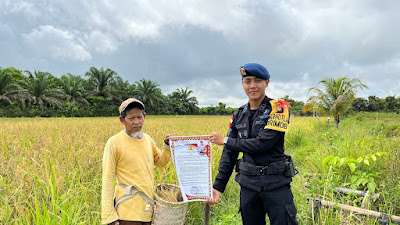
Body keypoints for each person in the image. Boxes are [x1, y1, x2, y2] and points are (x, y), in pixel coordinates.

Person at [207, 63, 298, 225]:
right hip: (249, 186)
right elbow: (229, 153)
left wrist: (225, 140)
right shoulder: (238, 115)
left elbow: (263, 143)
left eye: (258, 81)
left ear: (267, 83)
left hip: (276, 184)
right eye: (247, 81)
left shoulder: (279, 108)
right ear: (243, 84)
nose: (252, 86)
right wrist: (218, 186)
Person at [102, 98, 172, 225]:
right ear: (122, 120)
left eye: (139, 117)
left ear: (144, 117)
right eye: (131, 118)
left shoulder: (148, 140)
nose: (136, 122)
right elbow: (107, 178)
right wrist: (109, 216)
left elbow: (161, 162)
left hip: (147, 207)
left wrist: (167, 146)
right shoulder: (114, 143)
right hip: (127, 209)